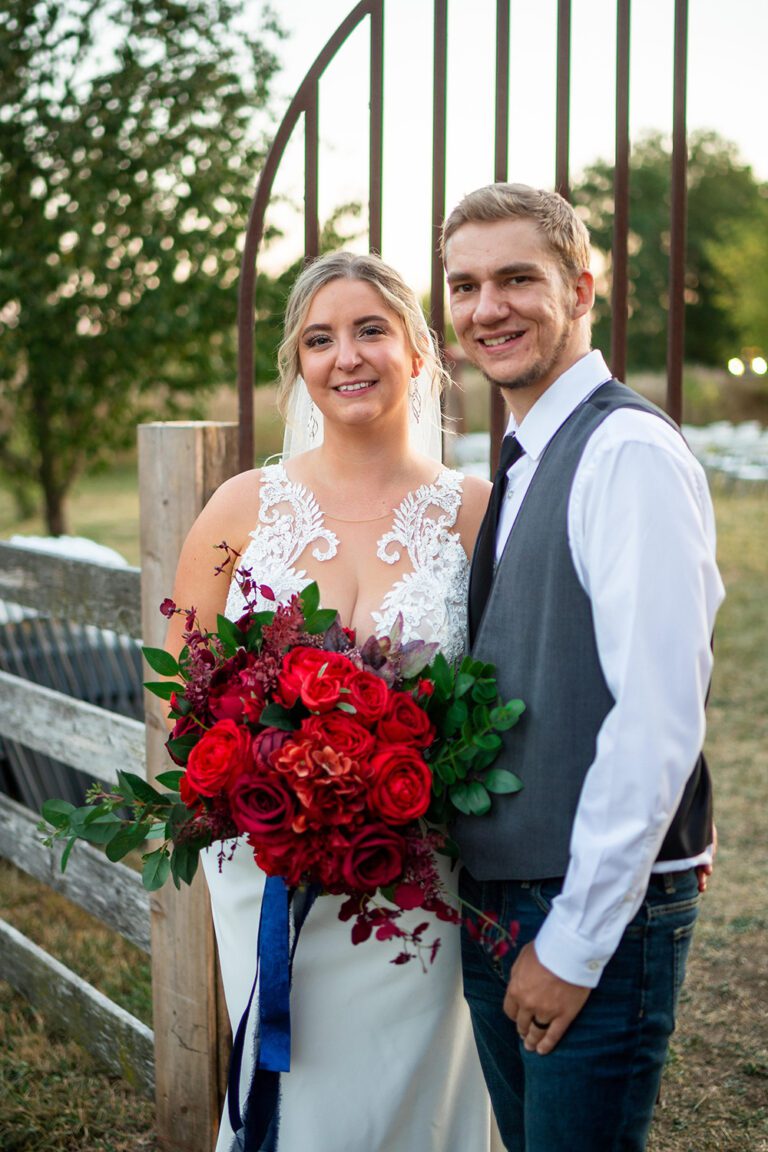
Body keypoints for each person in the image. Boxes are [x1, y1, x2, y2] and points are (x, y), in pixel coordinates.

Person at [164, 251, 499, 1152]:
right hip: (265, 866)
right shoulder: (241, 509)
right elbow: (182, 698)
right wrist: (261, 782)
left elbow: (506, 698)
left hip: (416, 877)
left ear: (419, 354)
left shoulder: (474, 511)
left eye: (370, 330)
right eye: (320, 339)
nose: (346, 356)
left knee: (412, 1098)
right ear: (300, 365)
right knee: (299, 1096)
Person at [441, 182, 724, 1152]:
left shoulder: (625, 452)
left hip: (585, 909)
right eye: (465, 285)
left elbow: (657, 715)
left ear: (582, 289)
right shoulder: (526, 455)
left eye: (518, 279)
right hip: (500, 899)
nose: (488, 309)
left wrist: (572, 941)